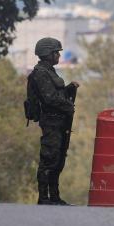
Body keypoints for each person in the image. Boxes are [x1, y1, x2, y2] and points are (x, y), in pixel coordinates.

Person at [29, 37, 79, 205]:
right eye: (56, 52)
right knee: (49, 158)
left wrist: (69, 90)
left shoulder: (49, 71)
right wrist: (68, 106)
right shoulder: (41, 73)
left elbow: (56, 94)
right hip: (51, 121)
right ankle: (44, 197)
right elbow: (49, 99)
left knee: (58, 158)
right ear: (47, 54)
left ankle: (55, 196)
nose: (58, 55)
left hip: (59, 121)